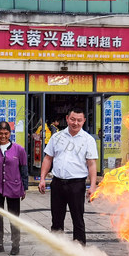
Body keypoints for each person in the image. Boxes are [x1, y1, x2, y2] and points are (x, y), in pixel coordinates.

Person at [39, 105, 97, 245]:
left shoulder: (88, 140)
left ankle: (78, 250)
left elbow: (91, 164)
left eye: (79, 120)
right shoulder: (57, 137)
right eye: (72, 119)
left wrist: (93, 186)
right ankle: (57, 251)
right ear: (67, 119)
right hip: (57, 183)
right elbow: (48, 158)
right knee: (56, 219)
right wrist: (42, 179)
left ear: (83, 121)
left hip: (76, 184)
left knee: (78, 218)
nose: (75, 123)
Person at [0, 121, 28, 255]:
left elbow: (23, 169)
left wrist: (24, 187)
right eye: (0, 133)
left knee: (14, 217)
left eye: (6, 133)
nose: (3, 136)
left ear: (10, 134)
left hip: (13, 188)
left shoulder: (19, 149)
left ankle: (15, 244)